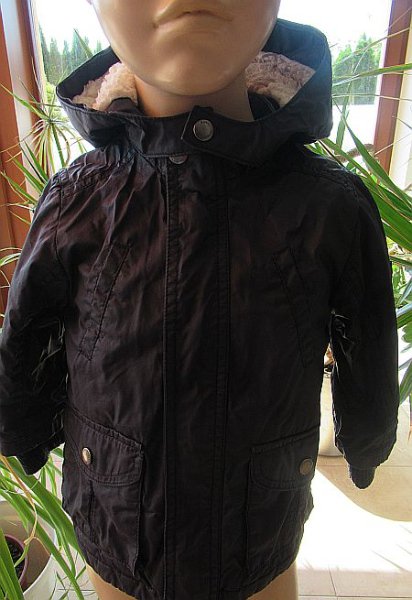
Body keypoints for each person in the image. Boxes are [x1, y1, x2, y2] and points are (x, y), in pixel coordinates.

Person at [0, 1, 400, 600]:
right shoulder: (78, 201)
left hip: (257, 534)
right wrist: (20, 426)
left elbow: (368, 342)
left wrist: (367, 439)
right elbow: (27, 335)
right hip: (120, 529)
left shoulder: (327, 206)